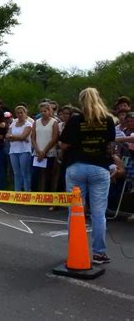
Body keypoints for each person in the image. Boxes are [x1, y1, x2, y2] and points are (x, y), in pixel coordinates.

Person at [60, 87, 116, 264]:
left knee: (75, 212)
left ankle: (75, 250)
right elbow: (110, 146)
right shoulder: (107, 120)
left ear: (81, 101)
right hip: (99, 167)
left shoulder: (75, 120)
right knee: (99, 214)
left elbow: (63, 145)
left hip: (76, 166)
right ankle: (99, 253)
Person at [31, 102, 59, 192]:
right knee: (35, 174)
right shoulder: (36, 122)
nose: (43, 113)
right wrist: (38, 151)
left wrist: (44, 151)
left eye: (45, 111)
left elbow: (54, 138)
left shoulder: (54, 122)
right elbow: (33, 138)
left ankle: (47, 196)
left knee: (48, 175)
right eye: (41, 111)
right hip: (37, 152)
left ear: (49, 111)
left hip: (49, 152)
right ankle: (34, 195)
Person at [6, 106, 32, 191]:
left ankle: (27, 192)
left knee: (25, 173)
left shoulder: (28, 124)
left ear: (25, 113)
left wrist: (14, 137)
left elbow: (23, 136)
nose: (19, 114)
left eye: (21, 112)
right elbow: (7, 136)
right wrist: (20, 138)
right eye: (18, 113)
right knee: (16, 173)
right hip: (13, 150)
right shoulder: (13, 124)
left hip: (24, 150)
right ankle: (17, 192)